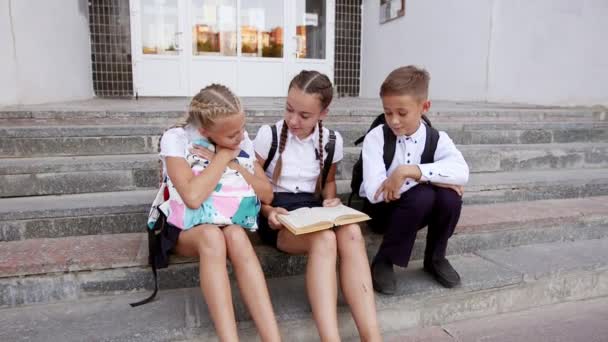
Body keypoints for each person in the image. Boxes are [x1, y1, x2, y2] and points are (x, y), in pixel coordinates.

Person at [254, 70, 382, 342]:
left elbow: (329, 182)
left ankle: (372, 336)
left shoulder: (332, 141)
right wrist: (268, 211)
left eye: (304, 115)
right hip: (277, 214)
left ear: (323, 113)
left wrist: (330, 200)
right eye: (289, 110)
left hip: (312, 211)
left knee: (352, 233)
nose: (293, 120)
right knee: (325, 239)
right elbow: (249, 187)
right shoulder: (269, 136)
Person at [158, 84, 281, 341]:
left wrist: (235, 160)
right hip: (187, 227)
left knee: (236, 235)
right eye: (231, 135)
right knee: (213, 238)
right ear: (205, 131)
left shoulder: (239, 137)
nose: (240, 137)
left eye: (241, 129)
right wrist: (222, 157)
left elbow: (267, 194)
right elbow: (192, 197)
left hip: (229, 219)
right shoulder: (177, 138)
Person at [361, 65, 469, 295]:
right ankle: (384, 259)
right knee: (425, 194)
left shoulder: (437, 138)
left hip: (416, 211)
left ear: (424, 107)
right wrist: (432, 178)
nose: (394, 121)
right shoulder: (377, 137)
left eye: (402, 113)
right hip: (382, 212)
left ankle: (435, 258)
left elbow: (462, 173)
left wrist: (408, 172)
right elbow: (374, 191)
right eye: (388, 112)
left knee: (450, 197)